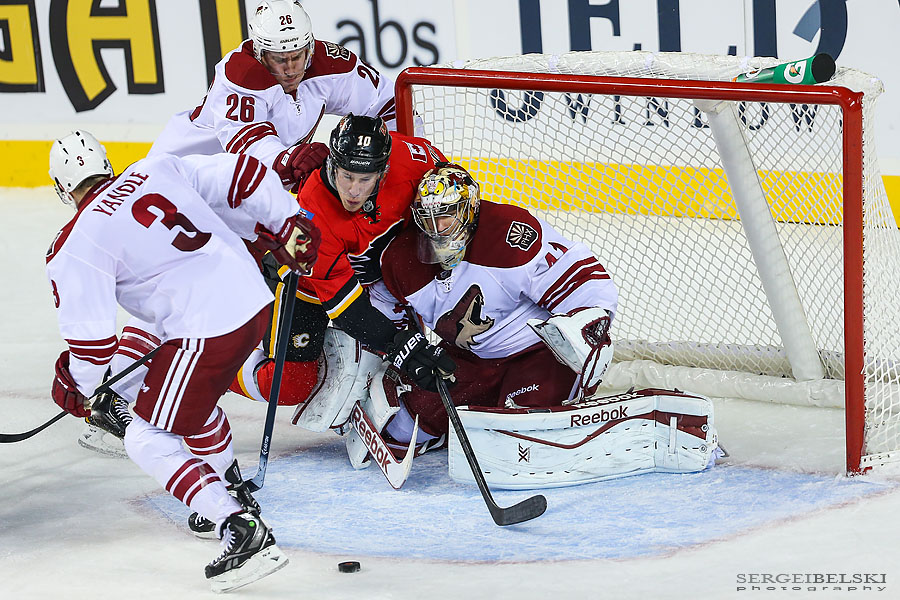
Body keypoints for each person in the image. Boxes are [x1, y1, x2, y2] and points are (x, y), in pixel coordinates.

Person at [46, 130, 319, 591]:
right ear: (107, 164)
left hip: (205, 328)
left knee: (146, 437)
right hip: (252, 299)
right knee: (174, 388)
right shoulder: (156, 167)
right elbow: (245, 174)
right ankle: (227, 481)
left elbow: (91, 346)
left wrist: (79, 388)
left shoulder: (76, 243)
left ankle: (238, 527)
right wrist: (287, 220)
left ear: (60, 189)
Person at [361, 163, 619, 449]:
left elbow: (583, 281)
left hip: (536, 354)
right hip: (470, 359)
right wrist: (400, 347)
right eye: (428, 218)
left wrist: (590, 329)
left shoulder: (508, 234)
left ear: (469, 210)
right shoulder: (400, 259)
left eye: (445, 216)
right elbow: (383, 307)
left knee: (520, 437)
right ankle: (458, 430)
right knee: (401, 429)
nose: (436, 229)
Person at [149, 0, 398, 191]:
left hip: (240, 192)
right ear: (260, 53)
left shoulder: (331, 65)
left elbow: (390, 104)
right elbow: (249, 150)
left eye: (297, 56)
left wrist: (392, 159)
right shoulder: (241, 74)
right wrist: (290, 160)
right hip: (175, 176)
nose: (290, 69)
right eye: (279, 59)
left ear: (310, 48)